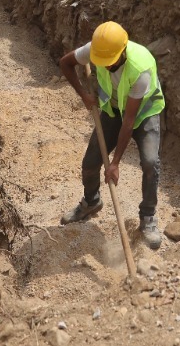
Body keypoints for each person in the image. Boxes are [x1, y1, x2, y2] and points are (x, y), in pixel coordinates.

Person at [58, 21, 166, 249]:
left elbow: (129, 122)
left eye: (110, 63)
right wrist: (83, 95)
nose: (105, 67)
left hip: (144, 113)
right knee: (90, 162)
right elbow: (65, 63)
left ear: (123, 51)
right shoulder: (95, 50)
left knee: (149, 162)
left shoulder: (141, 68)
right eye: (101, 63)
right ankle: (91, 201)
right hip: (113, 109)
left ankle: (148, 219)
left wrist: (115, 163)